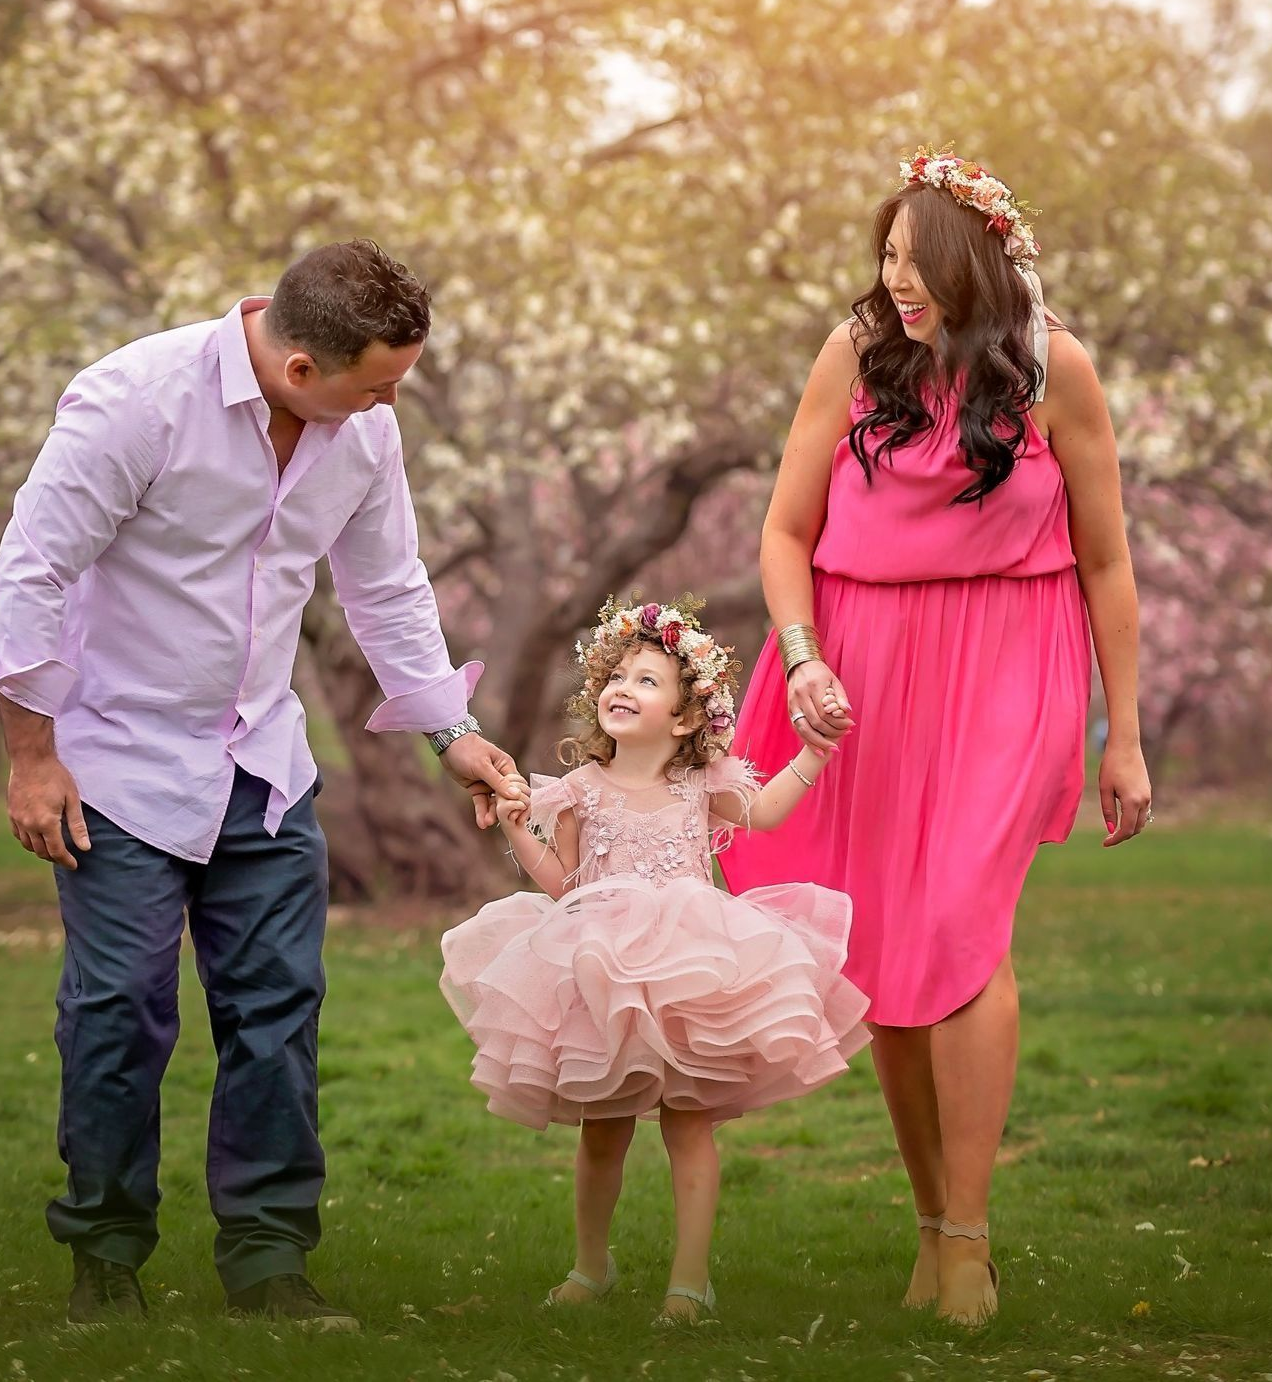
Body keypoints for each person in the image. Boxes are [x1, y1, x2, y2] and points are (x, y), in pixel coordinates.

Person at [0, 239, 519, 1329]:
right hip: (117, 764)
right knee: (120, 1012)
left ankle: (270, 1262)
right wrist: (32, 758)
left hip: (262, 765)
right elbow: (34, 569)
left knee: (278, 1011)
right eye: (378, 383)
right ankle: (106, 1255)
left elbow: (387, 586)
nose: (392, 402)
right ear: (301, 368)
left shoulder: (360, 429)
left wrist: (450, 731)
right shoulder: (137, 401)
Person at [723, 148, 1152, 1325]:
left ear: (970, 262)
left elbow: (1109, 564)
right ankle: (933, 1227)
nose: (893, 281)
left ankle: (970, 1240)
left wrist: (1125, 738)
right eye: (886, 260)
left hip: (1011, 658)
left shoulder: (1059, 368)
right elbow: (782, 531)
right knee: (886, 961)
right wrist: (803, 656)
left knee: (961, 923)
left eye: (913, 263)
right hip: (857, 665)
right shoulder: (856, 356)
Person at [439, 597, 870, 1326]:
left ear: (682, 717)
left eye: (647, 680)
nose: (624, 688)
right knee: (602, 1126)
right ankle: (590, 1264)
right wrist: (519, 831)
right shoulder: (577, 791)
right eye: (619, 676)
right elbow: (565, 886)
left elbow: (763, 814)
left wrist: (813, 753)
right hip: (603, 972)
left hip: (688, 968)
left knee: (688, 1121)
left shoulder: (703, 785)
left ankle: (689, 1281)